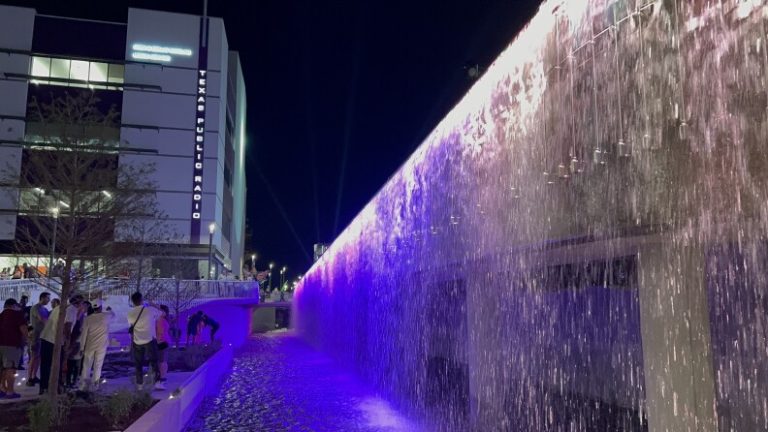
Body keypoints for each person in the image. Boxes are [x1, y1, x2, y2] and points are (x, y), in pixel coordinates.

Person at [39, 295, 82, 395]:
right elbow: (67, 327)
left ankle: (44, 387)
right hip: (56, 341)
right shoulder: (71, 310)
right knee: (57, 365)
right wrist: (67, 342)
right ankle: (56, 388)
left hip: (46, 338)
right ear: (79, 303)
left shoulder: (59, 307)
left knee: (45, 365)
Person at [126, 292, 164, 391]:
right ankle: (157, 383)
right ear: (142, 300)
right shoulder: (149, 310)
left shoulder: (130, 314)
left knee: (138, 363)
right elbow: (163, 313)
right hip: (149, 340)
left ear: (133, 302)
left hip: (137, 341)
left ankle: (139, 384)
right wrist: (153, 304)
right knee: (154, 361)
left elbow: (131, 326)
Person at [78, 300, 114, 391]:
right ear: (100, 307)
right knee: (98, 366)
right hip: (101, 346)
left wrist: (82, 347)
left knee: (86, 366)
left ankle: (83, 386)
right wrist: (109, 309)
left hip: (90, 346)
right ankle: (95, 386)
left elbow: (84, 334)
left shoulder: (87, 319)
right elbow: (113, 315)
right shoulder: (106, 316)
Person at [0, 298, 28, 399]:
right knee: (10, 369)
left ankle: (2, 389)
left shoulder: (1, 315)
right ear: (13, 305)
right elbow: (24, 329)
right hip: (12, 345)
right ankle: (10, 392)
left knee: (2, 369)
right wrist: (27, 340)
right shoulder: (17, 315)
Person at [26, 292, 51, 386]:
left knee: (38, 357)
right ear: (43, 298)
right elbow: (42, 319)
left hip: (42, 336)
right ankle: (29, 378)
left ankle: (34, 376)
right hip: (35, 336)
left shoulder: (44, 309)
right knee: (33, 357)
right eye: (48, 298)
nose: (49, 300)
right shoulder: (35, 308)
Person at [65, 301, 88, 388]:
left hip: (76, 342)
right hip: (76, 342)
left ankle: (71, 381)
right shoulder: (78, 317)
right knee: (74, 364)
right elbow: (78, 330)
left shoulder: (81, 317)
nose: (84, 309)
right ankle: (71, 382)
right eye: (83, 307)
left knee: (74, 364)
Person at [156, 305, 170, 386]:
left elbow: (160, 332)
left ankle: (162, 378)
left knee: (162, 361)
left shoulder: (160, 320)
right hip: (165, 341)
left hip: (161, 341)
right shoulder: (165, 319)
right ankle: (163, 377)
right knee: (163, 361)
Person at [17, 295, 29, 371]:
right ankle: (19, 363)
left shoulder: (21, 308)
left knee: (21, 348)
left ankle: (19, 363)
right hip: (21, 331)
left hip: (21, 330)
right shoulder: (22, 309)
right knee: (21, 348)